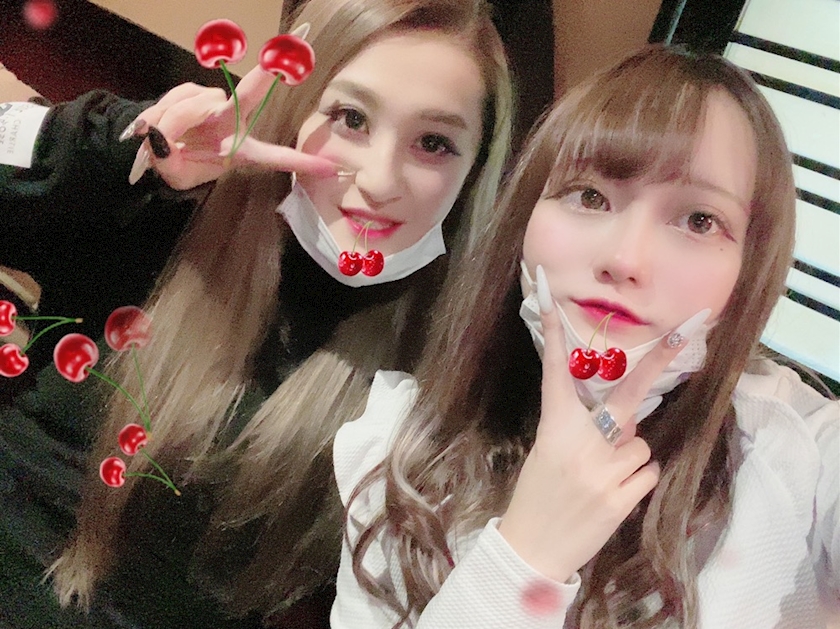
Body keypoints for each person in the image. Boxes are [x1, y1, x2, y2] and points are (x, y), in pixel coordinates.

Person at [0, 0, 513, 626]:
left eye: (433, 143)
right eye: (351, 118)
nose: (380, 180)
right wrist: (122, 147)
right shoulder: (158, 210)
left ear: (474, 172)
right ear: (295, 112)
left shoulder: (448, 378)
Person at [332, 45, 839, 628]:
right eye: (590, 196)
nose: (625, 259)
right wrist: (527, 556)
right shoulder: (396, 454)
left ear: (748, 273)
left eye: (700, 221)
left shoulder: (797, 451)